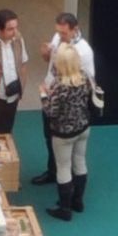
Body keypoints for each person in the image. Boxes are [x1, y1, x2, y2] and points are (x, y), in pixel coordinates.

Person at [31, 13, 94, 186]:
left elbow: (89, 81)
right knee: (49, 138)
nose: (60, 36)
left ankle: (65, 182)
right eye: (58, 32)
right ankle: (53, 172)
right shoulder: (58, 38)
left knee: (69, 156)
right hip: (53, 93)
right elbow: (52, 61)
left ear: (75, 30)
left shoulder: (84, 51)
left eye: (64, 33)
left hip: (66, 106)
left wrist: (57, 93)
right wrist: (46, 54)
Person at [42, 43, 93, 222]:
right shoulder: (84, 77)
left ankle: (64, 209)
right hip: (83, 126)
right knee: (80, 161)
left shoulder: (59, 86)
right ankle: (77, 201)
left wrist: (44, 96)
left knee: (63, 168)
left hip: (63, 133)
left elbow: (51, 112)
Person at [0, 8, 28, 137]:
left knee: (6, 132)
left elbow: (24, 63)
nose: (15, 32)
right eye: (10, 29)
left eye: (16, 27)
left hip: (13, 96)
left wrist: (22, 87)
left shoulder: (18, 38)